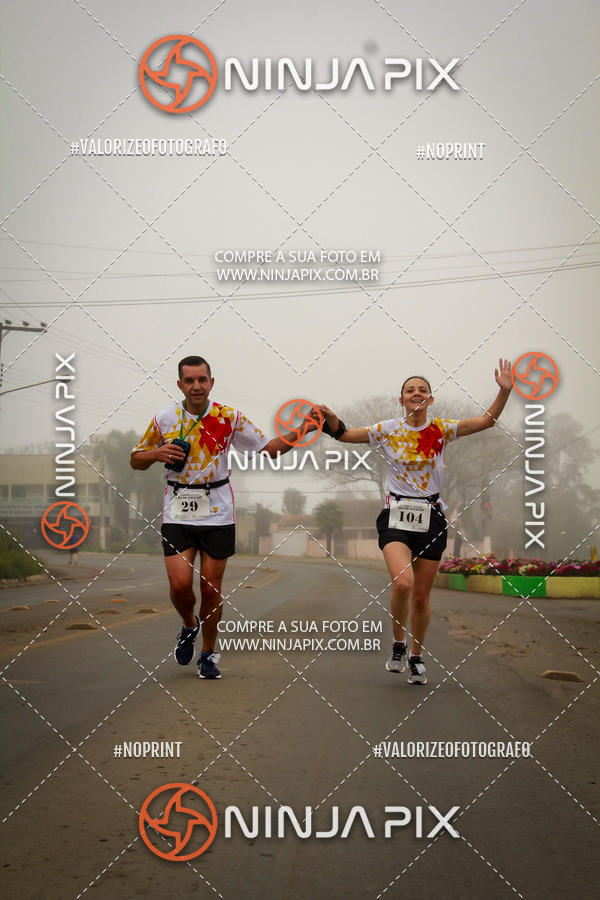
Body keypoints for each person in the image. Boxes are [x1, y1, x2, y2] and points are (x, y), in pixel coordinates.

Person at [317, 359, 513, 685]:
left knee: (421, 596)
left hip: (432, 516)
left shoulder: (441, 430)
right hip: (396, 514)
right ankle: (397, 643)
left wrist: (503, 392)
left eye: (422, 390)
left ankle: (417, 656)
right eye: (410, 390)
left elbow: (486, 421)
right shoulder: (388, 429)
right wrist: (332, 420)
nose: (416, 393)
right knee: (403, 583)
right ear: (402, 398)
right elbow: (346, 435)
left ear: (430, 399)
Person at [130, 356, 310, 679]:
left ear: (211, 382)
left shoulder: (229, 418)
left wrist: (303, 430)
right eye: (189, 380)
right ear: (180, 385)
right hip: (178, 507)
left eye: (202, 380)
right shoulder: (165, 419)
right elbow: (135, 459)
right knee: (180, 585)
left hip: (218, 511)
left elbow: (269, 448)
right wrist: (156, 454)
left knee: (211, 588)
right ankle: (189, 625)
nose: (196, 386)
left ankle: (209, 654)